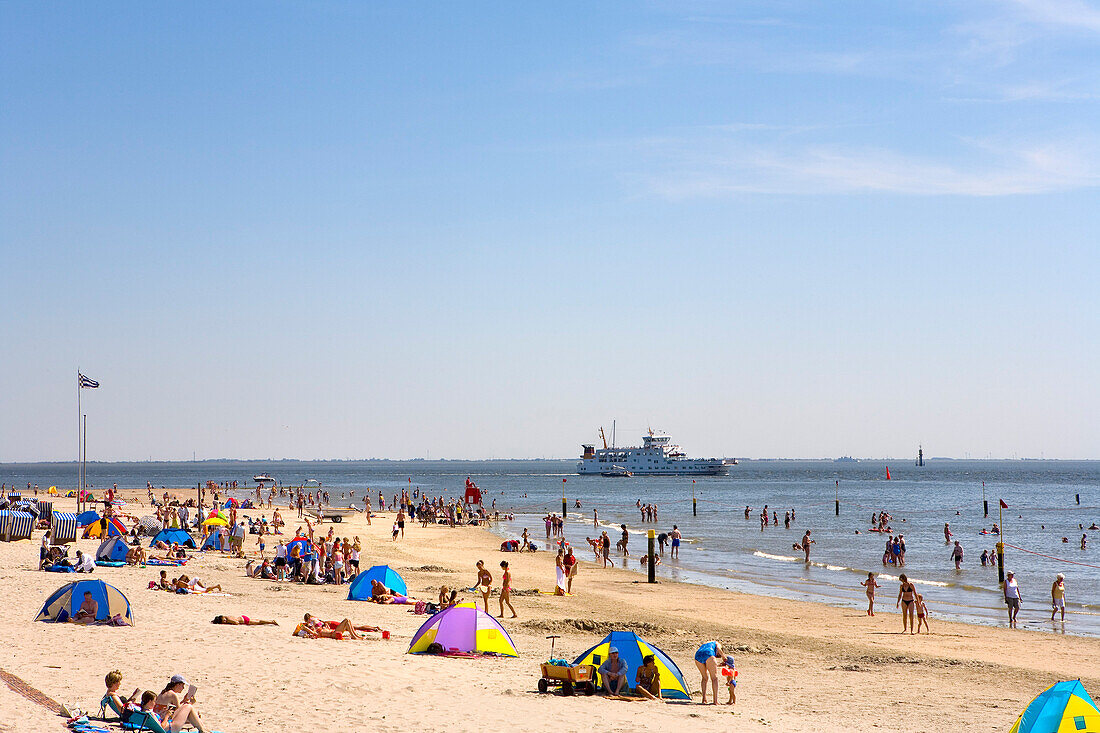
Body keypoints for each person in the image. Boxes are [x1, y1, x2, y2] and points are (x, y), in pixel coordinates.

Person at [211, 615, 278, 625]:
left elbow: (236, 622)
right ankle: (271, 621)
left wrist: (229, 623)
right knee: (258, 621)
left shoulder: (228, 619)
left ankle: (271, 622)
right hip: (243, 618)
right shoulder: (228, 616)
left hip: (244, 620)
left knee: (259, 622)